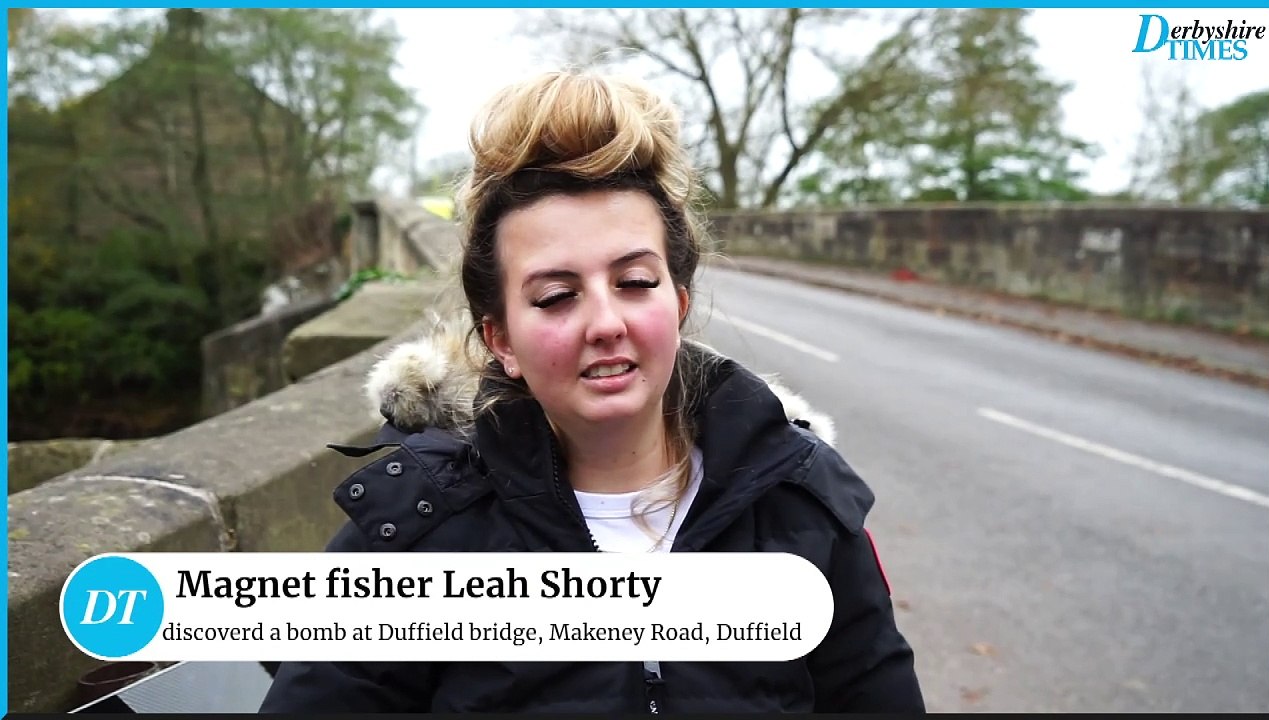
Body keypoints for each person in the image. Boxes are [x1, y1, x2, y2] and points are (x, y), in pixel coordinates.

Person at [259, 69, 924, 714]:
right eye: (556, 295)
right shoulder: (413, 533)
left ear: (678, 304)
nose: (606, 323)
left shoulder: (801, 504)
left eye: (635, 283)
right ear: (501, 340)